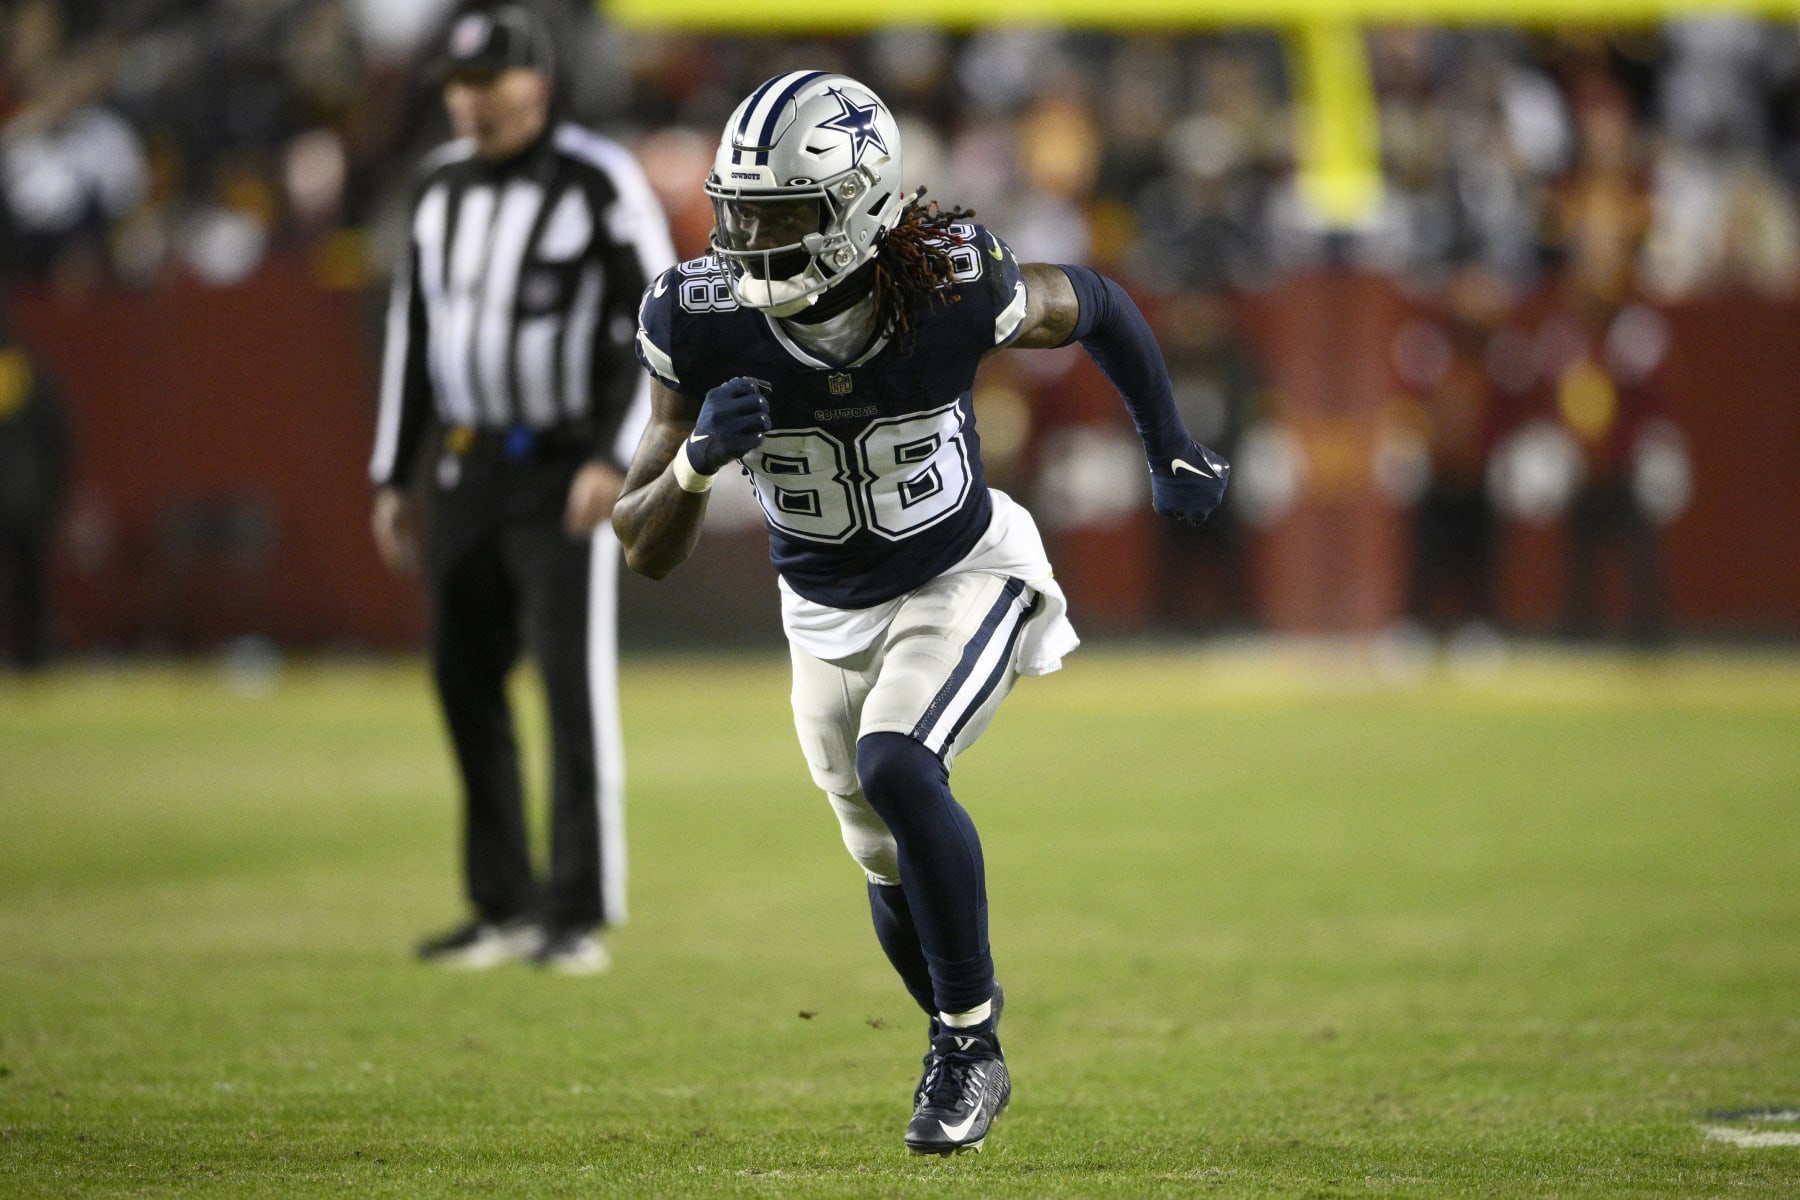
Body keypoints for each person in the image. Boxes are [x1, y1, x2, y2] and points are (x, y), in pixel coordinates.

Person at [612, 72, 1228, 1154]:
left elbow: (1096, 301)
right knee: (880, 854)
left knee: (898, 765)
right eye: (738, 213)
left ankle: (968, 1047)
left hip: (961, 570)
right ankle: (959, 1034)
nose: (748, 242)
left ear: (856, 207)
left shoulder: (947, 283)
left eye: (780, 216)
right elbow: (640, 541)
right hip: (820, 613)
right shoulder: (695, 319)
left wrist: (1166, 442)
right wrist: (697, 465)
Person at [368, 2, 674, 974]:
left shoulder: (596, 178)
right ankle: (501, 902)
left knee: (570, 689)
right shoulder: (438, 183)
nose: (467, 101)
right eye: (456, 84)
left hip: (558, 467)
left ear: (537, 84)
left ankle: (575, 912)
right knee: (463, 680)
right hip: (464, 464)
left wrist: (613, 456)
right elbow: (414, 333)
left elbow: (661, 321)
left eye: (485, 81)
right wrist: (394, 472)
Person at [0, 318, 71, 671]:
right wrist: (53, 492)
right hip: (30, 495)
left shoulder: (25, 373)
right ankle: (34, 657)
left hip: (19, 496)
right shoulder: (30, 372)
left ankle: (33, 655)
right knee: (31, 581)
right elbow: (58, 435)